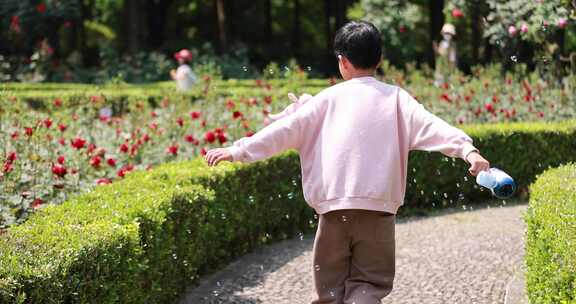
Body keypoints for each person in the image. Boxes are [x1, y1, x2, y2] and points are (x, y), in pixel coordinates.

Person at [204, 21, 490, 303]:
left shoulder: (326, 99)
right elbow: (434, 127)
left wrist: (238, 150)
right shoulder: (397, 100)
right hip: (378, 211)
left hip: (333, 210)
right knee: (369, 285)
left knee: (328, 292)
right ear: (379, 59)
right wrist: (468, 150)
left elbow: (284, 131)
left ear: (342, 61)